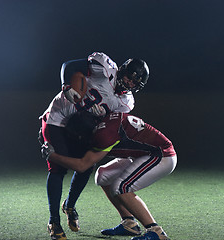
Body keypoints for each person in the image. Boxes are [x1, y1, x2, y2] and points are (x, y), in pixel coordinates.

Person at [39, 52, 149, 240]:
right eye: (128, 77)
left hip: (81, 126)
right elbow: (69, 65)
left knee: (86, 166)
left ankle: (70, 205)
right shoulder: (103, 67)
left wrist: (102, 119)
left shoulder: (126, 102)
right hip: (58, 117)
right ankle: (54, 221)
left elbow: (110, 125)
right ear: (121, 70)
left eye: (134, 82)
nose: (129, 83)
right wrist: (67, 86)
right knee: (57, 169)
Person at [41, 112, 177, 240]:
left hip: (161, 155)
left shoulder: (103, 134)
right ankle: (129, 224)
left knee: (121, 187)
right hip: (141, 154)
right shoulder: (104, 121)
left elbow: (82, 165)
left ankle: (156, 231)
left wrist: (53, 156)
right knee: (103, 176)